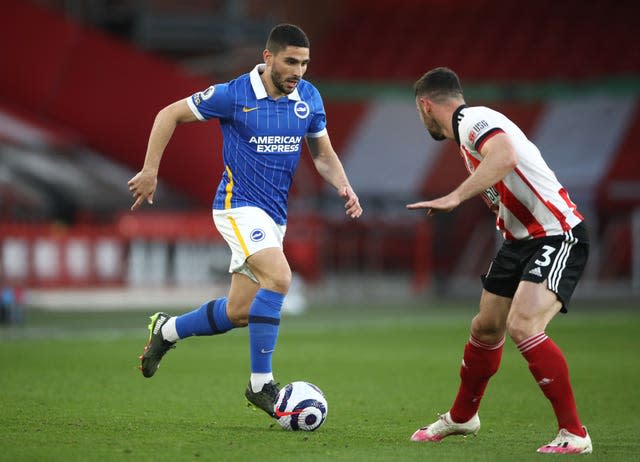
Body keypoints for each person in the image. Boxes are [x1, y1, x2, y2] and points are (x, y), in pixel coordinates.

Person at [127, 24, 362, 418]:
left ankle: (166, 331)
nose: (298, 71)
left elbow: (322, 154)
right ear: (268, 58)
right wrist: (151, 169)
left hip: (274, 218)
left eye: (304, 63)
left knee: (239, 312)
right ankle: (260, 385)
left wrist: (344, 185)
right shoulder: (233, 95)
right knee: (281, 278)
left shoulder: (308, 98)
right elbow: (169, 114)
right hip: (238, 208)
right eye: (290, 62)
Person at [406, 67, 592, 454]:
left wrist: (455, 197)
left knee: (523, 325)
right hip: (518, 242)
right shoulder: (466, 136)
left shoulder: (473, 119)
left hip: (557, 235)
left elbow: (505, 155)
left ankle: (575, 434)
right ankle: (462, 418)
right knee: (486, 327)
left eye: (418, 111)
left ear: (426, 105)